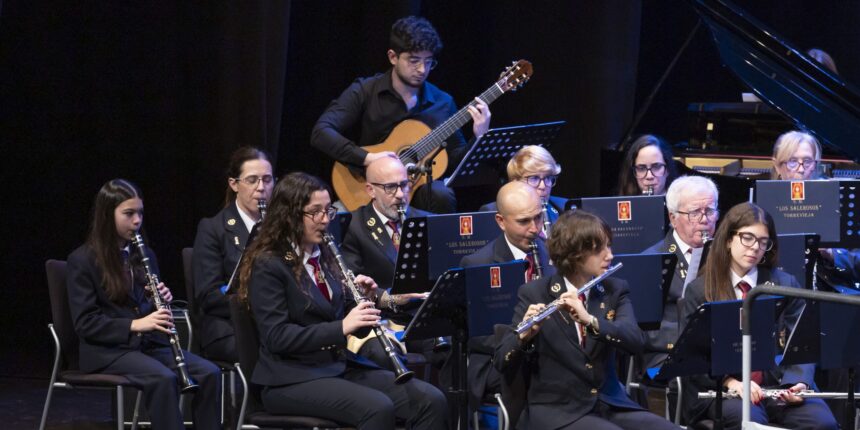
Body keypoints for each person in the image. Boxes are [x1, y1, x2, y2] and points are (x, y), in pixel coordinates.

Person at [236, 172, 447, 430]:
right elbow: (277, 337)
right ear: (289, 215)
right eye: (315, 212)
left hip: (336, 366)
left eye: (328, 211)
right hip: (291, 379)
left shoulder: (324, 253)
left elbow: (343, 314)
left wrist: (368, 302)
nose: (325, 220)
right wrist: (343, 327)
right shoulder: (269, 264)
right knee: (377, 408)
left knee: (431, 400)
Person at [494, 210, 680, 430]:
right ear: (573, 253)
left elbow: (635, 341)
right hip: (558, 411)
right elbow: (501, 361)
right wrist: (523, 337)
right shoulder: (535, 294)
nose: (609, 255)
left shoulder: (614, 289)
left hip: (609, 404)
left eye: (609, 246)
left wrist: (591, 321)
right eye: (599, 249)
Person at [67, 179, 221, 430]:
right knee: (163, 378)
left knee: (210, 373)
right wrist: (136, 324)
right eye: (128, 214)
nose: (137, 221)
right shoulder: (82, 260)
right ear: (107, 215)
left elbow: (146, 311)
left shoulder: (144, 254)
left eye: (140, 213)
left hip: (146, 346)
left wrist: (159, 301)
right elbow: (86, 323)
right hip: (107, 350)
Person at [679, 202, 837, 430]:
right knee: (750, 421)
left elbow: (802, 343)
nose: (755, 247)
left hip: (778, 386)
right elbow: (693, 356)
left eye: (763, 242)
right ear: (728, 239)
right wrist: (731, 382)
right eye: (747, 238)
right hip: (722, 389)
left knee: (823, 423)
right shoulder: (700, 290)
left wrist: (797, 382)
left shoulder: (784, 284)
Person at [311, 15, 491, 213]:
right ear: (393, 57)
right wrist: (368, 158)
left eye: (428, 61)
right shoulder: (366, 90)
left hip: (416, 193)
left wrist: (478, 136)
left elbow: (454, 161)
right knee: (337, 218)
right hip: (368, 187)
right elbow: (321, 132)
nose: (422, 69)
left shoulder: (443, 102)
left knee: (441, 193)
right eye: (414, 61)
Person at [459, 181, 556, 413]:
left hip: (551, 351)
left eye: (539, 217)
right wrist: (522, 337)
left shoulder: (554, 254)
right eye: (524, 221)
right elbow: (477, 335)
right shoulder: (477, 264)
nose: (535, 228)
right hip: (501, 360)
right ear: (501, 222)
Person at [339, 155, 433, 367]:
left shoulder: (427, 220)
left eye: (404, 185)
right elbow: (351, 284)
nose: (400, 195)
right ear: (370, 190)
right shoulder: (353, 226)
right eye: (390, 187)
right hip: (384, 319)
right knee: (384, 355)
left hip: (425, 317)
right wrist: (393, 298)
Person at [192, 146, 274, 363]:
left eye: (267, 180)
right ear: (234, 184)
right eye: (252, 180)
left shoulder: (280, 227)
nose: (261, 188)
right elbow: (208, 295)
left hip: (273, 321)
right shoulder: (213, 228)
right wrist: (257, 303)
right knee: (275, 353)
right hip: (229, 326)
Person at [642, 175, 719, 369]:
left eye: (709, 211)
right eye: (694, 213)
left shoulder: (728, 254)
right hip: (667, 353)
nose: (704, 220)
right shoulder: (652, 260)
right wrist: (696, 338)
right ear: (673, 218)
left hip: (718, 348)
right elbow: (646, 329)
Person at [480, 145, 566, 226]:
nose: (543, 186)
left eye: (547, 177)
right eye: (534, 178)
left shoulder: (565, 208)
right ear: (515, 182)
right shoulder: (492, 211)